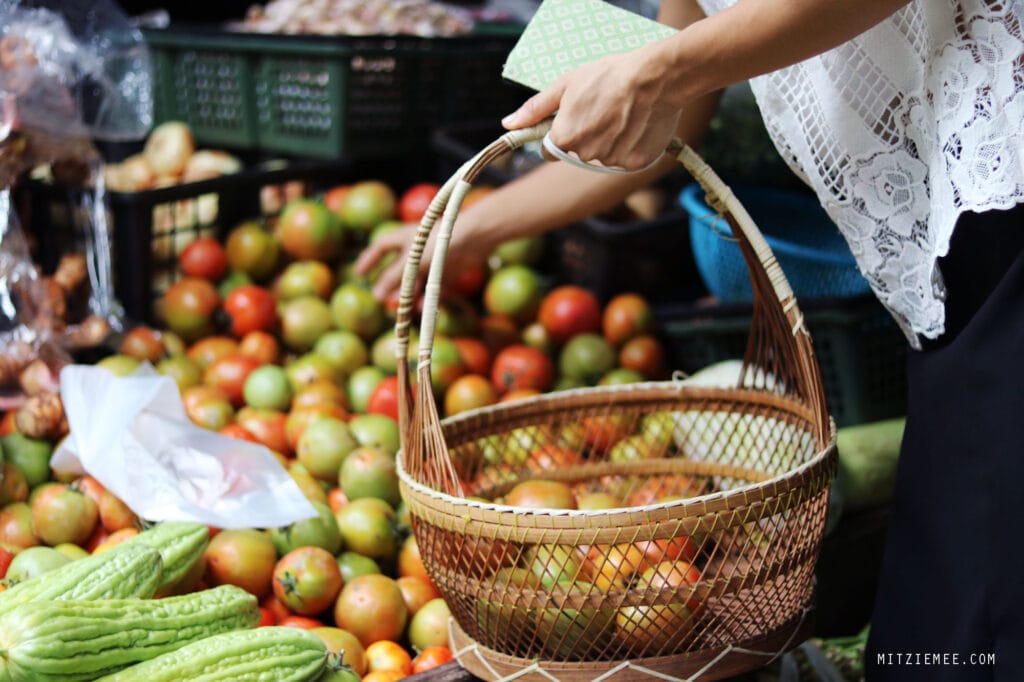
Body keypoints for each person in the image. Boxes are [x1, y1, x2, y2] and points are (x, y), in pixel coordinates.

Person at [356, 1, 1024, 679]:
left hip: (1002, 186)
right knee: (941, 629)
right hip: (944, 255)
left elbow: (674, 77)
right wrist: (468, 228)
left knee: (970, 629)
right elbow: (676, 113)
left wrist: (661, 71)